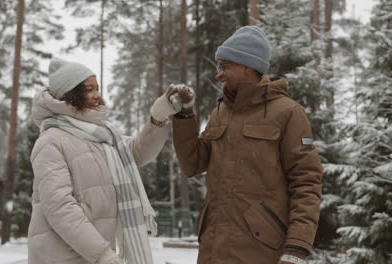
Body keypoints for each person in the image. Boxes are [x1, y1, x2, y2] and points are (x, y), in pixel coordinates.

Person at [170, 26, 323, 264]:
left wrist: (297, 247)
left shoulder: (288, 112)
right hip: (213, 248)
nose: (218, 74)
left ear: (247, 66)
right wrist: (185, 114)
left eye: (224, 66)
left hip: (261, 251)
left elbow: (306, 181)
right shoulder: (220, 112)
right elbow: (193, 163)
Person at [28, 58, 182, 264]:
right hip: (62, 256)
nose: (96, 95)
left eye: (97, 88)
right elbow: (60, 207)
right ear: (69, 93)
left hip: (94, 254)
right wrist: (102, 254)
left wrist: (157, 118)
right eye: (88, 89)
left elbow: (137, 152)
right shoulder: (51, 141)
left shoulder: (104, 136)